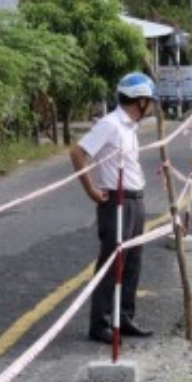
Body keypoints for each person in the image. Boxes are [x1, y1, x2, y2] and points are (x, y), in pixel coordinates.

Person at [70, 72, 157, 343]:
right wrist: (91, 190)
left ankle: (124, 317)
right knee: (112, 263)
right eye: (150, 100)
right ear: (140, 101)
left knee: (132, 262)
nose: (153, 106)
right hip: (116, 201)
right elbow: (77, 153)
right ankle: (100, 323)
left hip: (135, 199)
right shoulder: (110, 125)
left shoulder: (129, 127)